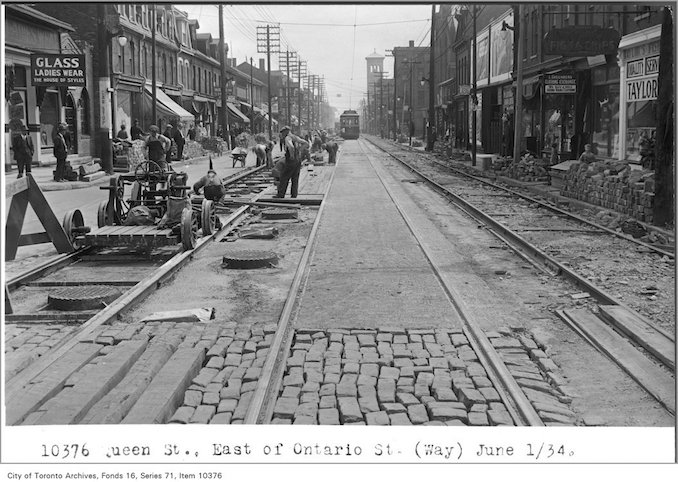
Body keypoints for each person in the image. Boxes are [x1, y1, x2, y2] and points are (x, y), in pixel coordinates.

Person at [276, 125, 309, 199]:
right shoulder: (295, 137)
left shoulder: (288, 138)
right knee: (295, 178)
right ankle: (294, 195)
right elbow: (306, 143)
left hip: (291, 161)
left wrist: (291, 155)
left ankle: (280, 195)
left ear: (286, 132)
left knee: (284, 177)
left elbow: (291, 147)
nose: (282, 134)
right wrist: (300, 151)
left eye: (282, 132)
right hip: (298, 160)